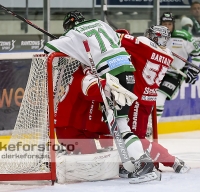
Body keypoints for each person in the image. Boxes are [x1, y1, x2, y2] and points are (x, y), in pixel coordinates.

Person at [44, 10, 158, 180]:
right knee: (121, 124)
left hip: (110, 75)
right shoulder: (101, 23)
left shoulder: (73, 34)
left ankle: (143, 163)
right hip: (127, 70)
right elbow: (116, 40)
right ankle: (135, 162)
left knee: (120, 126)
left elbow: (48, 49)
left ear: (69, 25)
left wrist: (67, 46)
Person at [115, 26, 190, 176]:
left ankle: (171, 160)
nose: (146, 35)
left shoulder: (143, 43)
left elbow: (118, 38)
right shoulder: (168, 54)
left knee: (134, 138)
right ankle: (138, 162)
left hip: (136, 99)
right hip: (148, 99)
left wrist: (124, 33)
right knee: (138, 137)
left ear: (155, 37)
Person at [151, 12, 200, 126]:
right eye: (164, 24)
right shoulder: (154, 38)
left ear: (173, 25)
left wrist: (193, 70)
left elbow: (197, 53)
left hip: (174, 75)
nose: (167, 27)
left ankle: (153, 130)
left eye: (169, 24)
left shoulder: (184, 37)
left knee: (159, 97)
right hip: (155, 73)